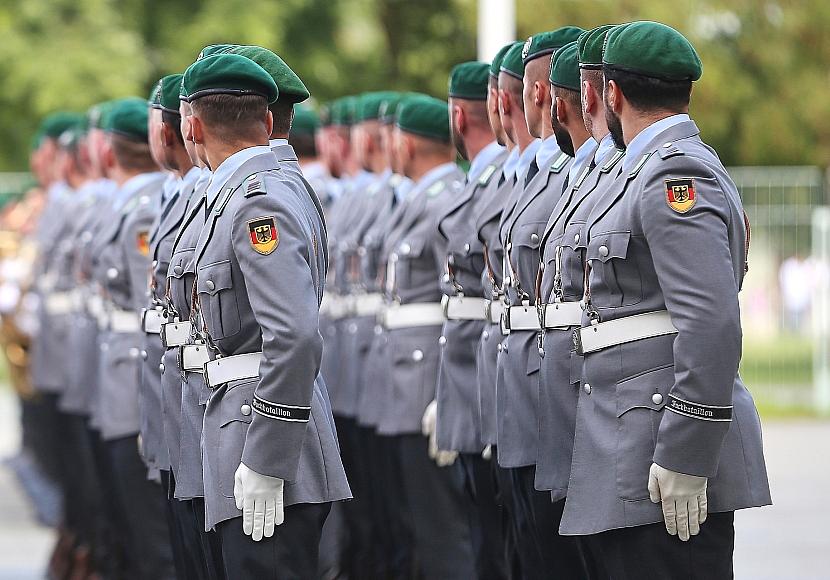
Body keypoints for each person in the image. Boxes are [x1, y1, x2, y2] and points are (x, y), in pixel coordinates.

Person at [558, 21, 771, 579]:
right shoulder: (647, 171)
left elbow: (711, 322)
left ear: (612, 94)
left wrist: (687, 454)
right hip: (629, 443)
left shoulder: (674, 173)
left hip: (656, 451)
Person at [180, 53, 350, 578]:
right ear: (268, 121)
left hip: (265, 443)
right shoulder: (244, 192)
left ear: (191, 124)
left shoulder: (258, 202)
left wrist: (266, 459)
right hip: (242, 432)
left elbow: (295, 336)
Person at [534, 25, 622, 580]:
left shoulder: (652, 175)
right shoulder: (588, 176)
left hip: (621, 415)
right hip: (580, 405)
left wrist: (687, 445)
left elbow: (706, 319)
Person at [375, 93, 475, 579]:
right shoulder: (416, 198)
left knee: (443, 530)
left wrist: (447, 395)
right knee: (416, 525)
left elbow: (457, 304)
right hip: (402, 388)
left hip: (426, 390)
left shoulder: (446, 199)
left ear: (409, 144)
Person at [90, 96, 177, 579]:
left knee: (154, 538)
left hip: (136, 378)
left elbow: (156, 309)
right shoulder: (134, 203)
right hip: (121, 372)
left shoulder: (145, 209)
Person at [429, 60, 507, 580]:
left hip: (498, 389)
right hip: (473, 383)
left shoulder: (509, 180)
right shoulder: (487, 182)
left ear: (458, 116)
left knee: (501, 545)